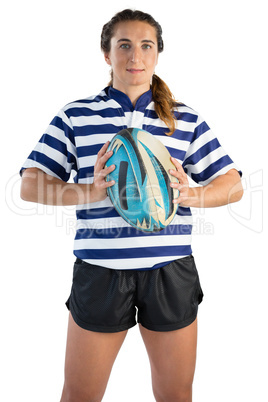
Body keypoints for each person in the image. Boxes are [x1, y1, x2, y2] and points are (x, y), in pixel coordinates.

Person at [20, 9, 243, 402]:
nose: (135, 56)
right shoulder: (76, 115)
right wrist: (90, 191)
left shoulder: (183, 119)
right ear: (107, 54)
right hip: (101, 271)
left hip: (169, 272)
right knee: (79, 395)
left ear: (157, 54)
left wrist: (188, 194)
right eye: (124, 45)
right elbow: (30, 185)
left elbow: (232, 185)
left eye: (146, 45)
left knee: (176, 394)